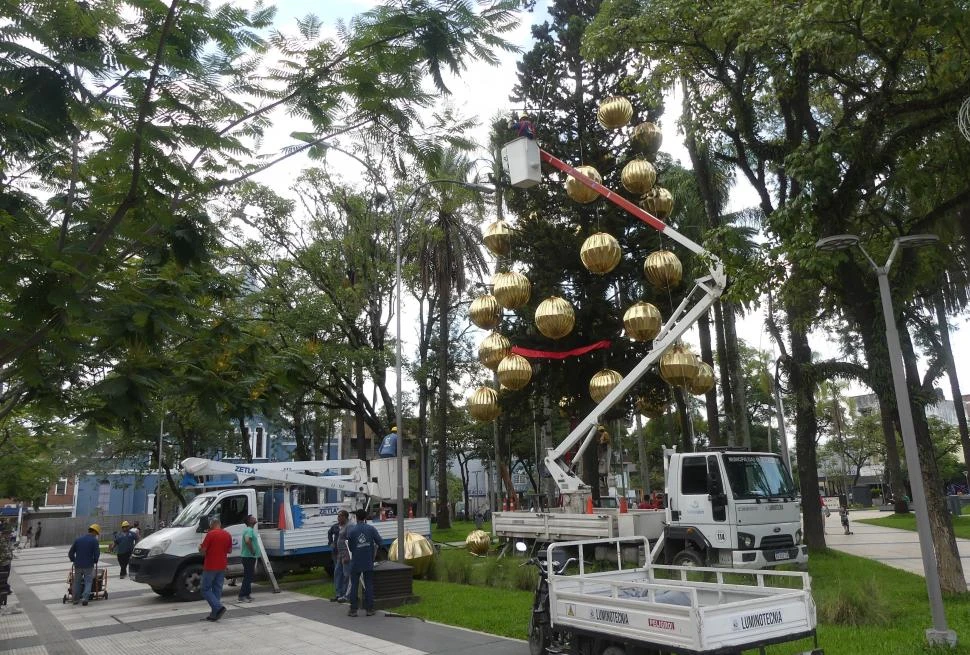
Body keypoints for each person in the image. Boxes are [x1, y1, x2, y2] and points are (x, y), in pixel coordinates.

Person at [345, 509, 382, 617]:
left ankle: (353, 610)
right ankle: (370, 609)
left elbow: (351, 548)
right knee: (369, 585)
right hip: (368, 561)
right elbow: (380, 541)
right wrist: (372, 550)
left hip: (356, 561)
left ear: (356, 518)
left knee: (354, 585)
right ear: (365, 518)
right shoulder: (371, 529)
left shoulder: (352, 530)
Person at [198, 517, 232, 621]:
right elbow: (229, 551)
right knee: (217, 589)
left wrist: (200, 548)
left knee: (205, 589)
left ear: (212, 525)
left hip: (211, 565)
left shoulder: (210, 534)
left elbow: (203, 550)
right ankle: (214, 614)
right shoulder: (227, 534)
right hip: (222, 566)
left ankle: (218, 607)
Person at [68, 524, 101, 606]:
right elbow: (97, 553)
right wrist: (95, 561)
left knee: (77, 582)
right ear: (94, 531)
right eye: (96, 534)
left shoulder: (78, 539)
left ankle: (75, 599)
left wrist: (74, 560)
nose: (96, 535)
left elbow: (70, 553)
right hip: (89, 565)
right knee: (88, 582)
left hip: (78, 564)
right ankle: (85, 599)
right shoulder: (94, 541)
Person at [328, 510, 351, 602]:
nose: (338, 518)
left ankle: (345, 594)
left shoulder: (348, 527)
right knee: (337, 573)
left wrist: (347, 555)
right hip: (338, 554)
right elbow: (329, 533)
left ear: (345, 517)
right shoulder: (336, 526)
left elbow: (349, 541)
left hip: (346, 554)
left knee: (346, 575)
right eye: (338, 516)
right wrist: (331, 543)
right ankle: (338, 594)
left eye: (340, 516)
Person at [237, 515, 259, 603]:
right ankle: (242, 596)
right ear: (250, 521)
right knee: (247, 577)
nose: (255, 518)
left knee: (249, 576)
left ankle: (247, 594)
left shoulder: (250, 530)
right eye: (253, 518)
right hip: (248, 557)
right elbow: (247, 540)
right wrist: (252, 551)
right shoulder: (249, 530)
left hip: (250, 557)